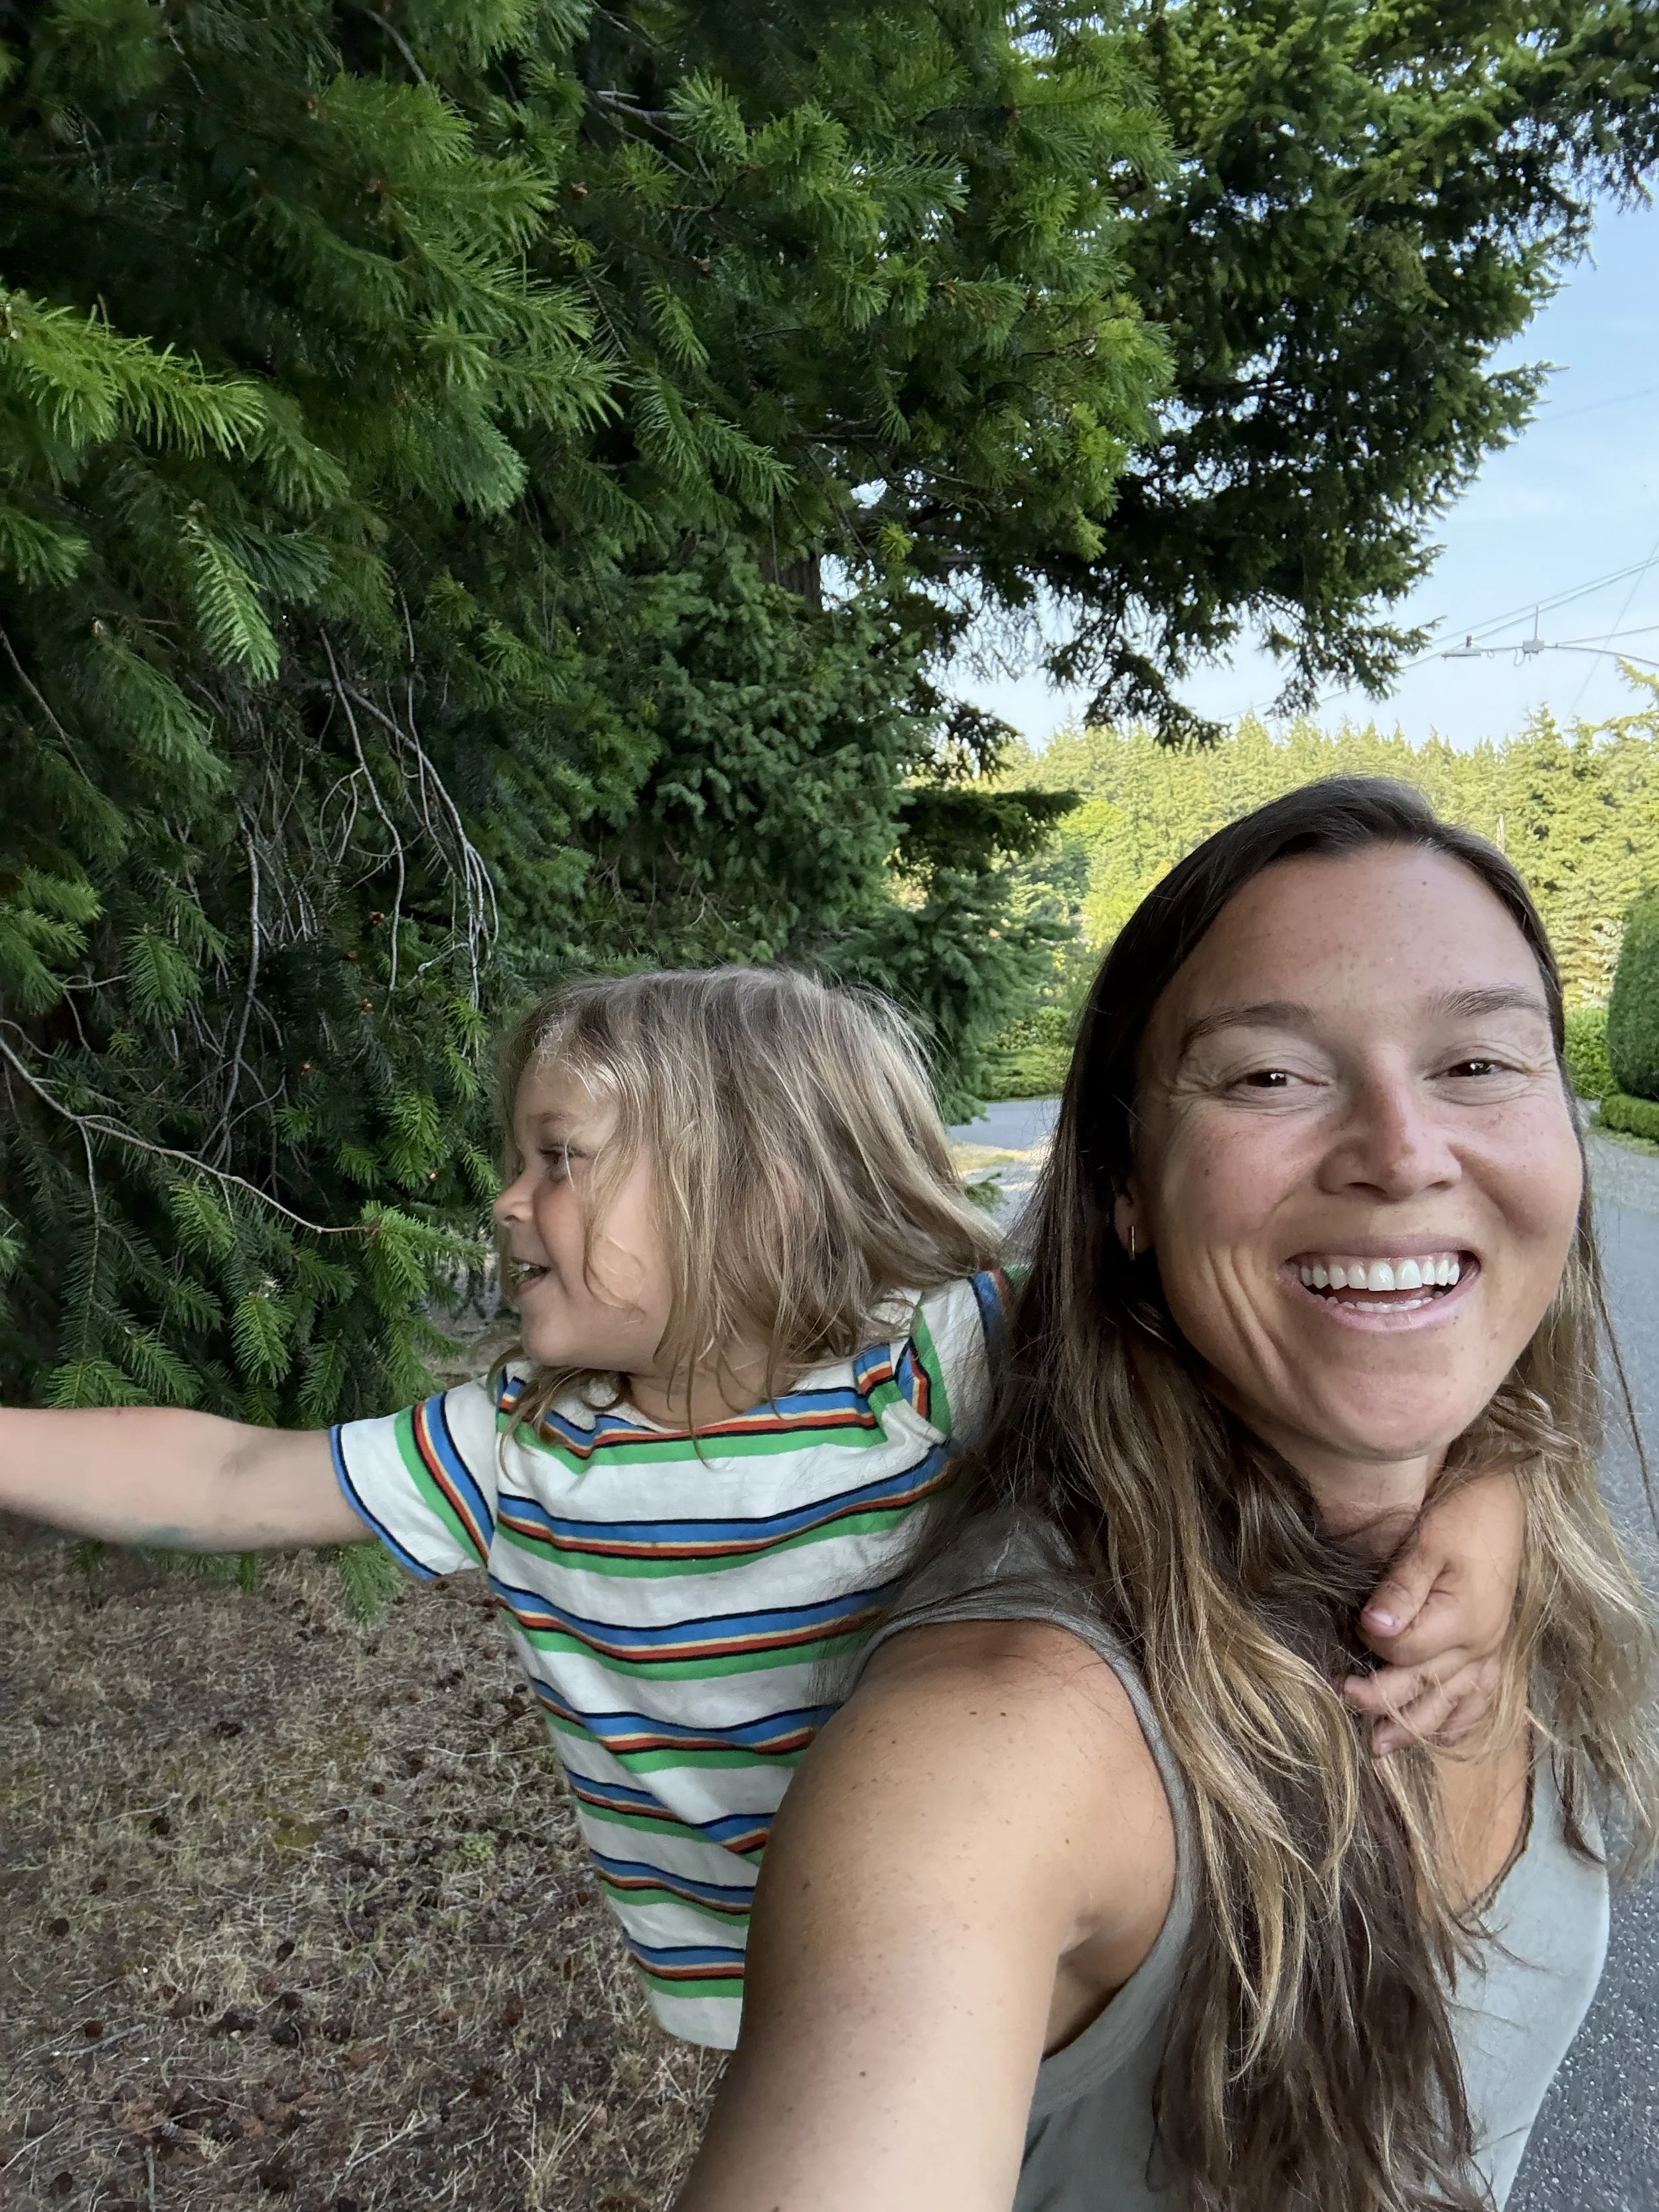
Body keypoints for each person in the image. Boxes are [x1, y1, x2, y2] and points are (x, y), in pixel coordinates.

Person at [0, 964, 1526, 2051]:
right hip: (755, 2003)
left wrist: (1495, 1482)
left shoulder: (934, 1368)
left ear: (762, 1187)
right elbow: (219, 1474)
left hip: (1036, 1957)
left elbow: (1288, 1363)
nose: (506, 1202)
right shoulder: (516, 1450)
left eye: (558, 1160)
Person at [674, 781, 1659, 2211]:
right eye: (1267, 1075)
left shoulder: (1512, 1531)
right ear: (1124, 1187)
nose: (1397, 1150)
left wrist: (1501, 1475)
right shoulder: (999, 1749)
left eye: (1477, 1063)